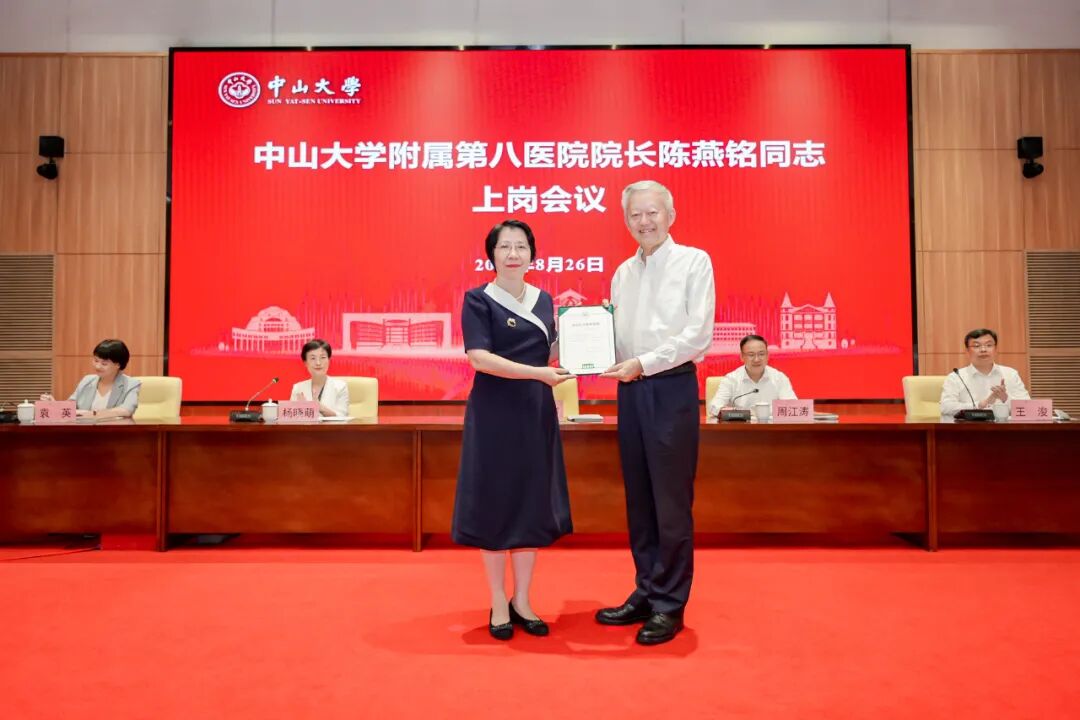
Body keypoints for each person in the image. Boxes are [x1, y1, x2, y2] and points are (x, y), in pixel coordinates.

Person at [597, 180, 716, 645]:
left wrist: (643, 363)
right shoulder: (622, 272)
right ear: (625, 220)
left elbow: (697, 335)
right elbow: (616, 336)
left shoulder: (694, 262)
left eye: (652, 212)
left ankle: (670, 603)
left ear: (671, 215)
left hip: (670, 389)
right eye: (635, 215)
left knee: (670, 502)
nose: (644, 222)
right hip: (630, 392)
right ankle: (647, 589)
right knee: (640, 499)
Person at [452, 219, 574, 641]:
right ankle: (498, 600)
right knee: (496, 503)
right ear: (491, 254)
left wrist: (589, 333)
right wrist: (539, 373)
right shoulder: (478, 299)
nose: (513, 254)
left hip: (534, 411)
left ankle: (523, 599)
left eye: (521, 246)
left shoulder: (544, 300)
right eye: (504, 246)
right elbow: (480, 359)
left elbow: (550, 351)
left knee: (529, 503)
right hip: (494, 413)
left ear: (532, 254)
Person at [40, 339, 140, 419]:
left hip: (114, 433)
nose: (98, 366)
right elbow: (71, 406)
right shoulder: (87, 380)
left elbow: (126, 410)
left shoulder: (131, 384)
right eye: (96, 361)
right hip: (85, 432)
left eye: (104, 363)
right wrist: (54, 405)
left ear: (118, 364)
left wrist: (92, 414)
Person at [940, 328, 1030, 416]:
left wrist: (1005, 399)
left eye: (989, 345)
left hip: (1003, 425)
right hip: (969, 425)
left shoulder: (1010, 374)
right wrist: (980, 405)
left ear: (996, 349)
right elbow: (945, 407)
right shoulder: (956, 377)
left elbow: (1027, 407)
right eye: (976, 346)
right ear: (967, 351)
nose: (983, 350)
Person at [707, 334, 796, 417]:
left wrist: (760, 412)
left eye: (761, 354)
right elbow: (714, 407)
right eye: (751, 355)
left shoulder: (779, 378)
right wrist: (739, 413)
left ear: (767, 355)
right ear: (742, 357)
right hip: (741, 427)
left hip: (772, 427)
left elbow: (793, 408)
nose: (756, 359)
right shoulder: (731, 379)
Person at [290, 339, 349, 417]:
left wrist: (320, 408)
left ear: (329, 360)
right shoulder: (298, 388)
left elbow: (343, 417)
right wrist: (302, 411)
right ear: (305, 363)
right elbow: (291, 418)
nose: (318, 363)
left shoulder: (340, 387)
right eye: (313, 358)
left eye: (323, 357)